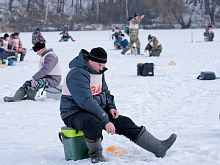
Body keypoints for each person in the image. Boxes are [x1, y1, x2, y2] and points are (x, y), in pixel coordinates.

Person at [59, 47, 177, 163]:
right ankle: (96, 157)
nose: (102, 68)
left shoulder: (98, 71)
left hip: (94, 109)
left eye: (104, 65)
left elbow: (105, 92)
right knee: (93, 123)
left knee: (124, 122)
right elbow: (86, 101)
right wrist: (105, 120)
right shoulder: (77, 74)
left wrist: (111, 107)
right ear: (91, 60)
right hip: (73, 112)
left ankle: (158, 148)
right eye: (100, 65)